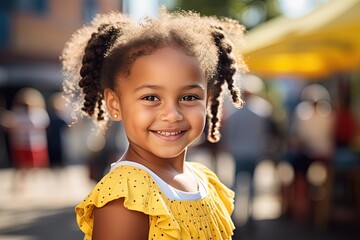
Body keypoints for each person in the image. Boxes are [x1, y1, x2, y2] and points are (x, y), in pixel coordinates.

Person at [61, 9, 246, 240]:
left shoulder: (203, 178)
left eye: (188, 97)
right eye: (151, 98)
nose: (172, 114)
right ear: (114, 104)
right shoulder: (126, 195)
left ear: (207, 100)